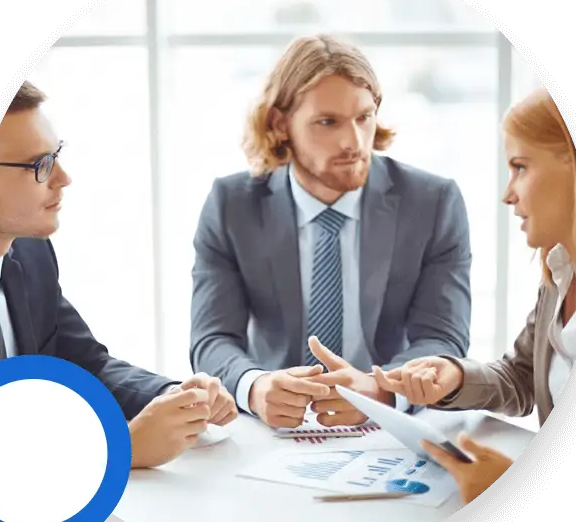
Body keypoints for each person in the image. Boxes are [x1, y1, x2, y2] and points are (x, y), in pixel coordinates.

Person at [189, 34, 473, 429]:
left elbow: (443, 338)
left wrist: (381, 390)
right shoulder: (231, 204)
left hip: (391, 425)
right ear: (280, 123)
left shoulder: (433, 203)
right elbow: (212, 338)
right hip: (274, 426)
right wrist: (255, 387)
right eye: (328, 122)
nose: (354, 142)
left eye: (364, 117)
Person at [341, 85, 576, 504]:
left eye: (521, 167)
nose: (508, 193)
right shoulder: (560, 273)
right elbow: (521, 379)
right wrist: (453, 377)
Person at [0, 81, 238, 469]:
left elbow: (83, 364)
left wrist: (173, 396)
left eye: (57, 155)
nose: (63, 177)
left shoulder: (30, 252)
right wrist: (117, 448)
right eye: (40, 165)